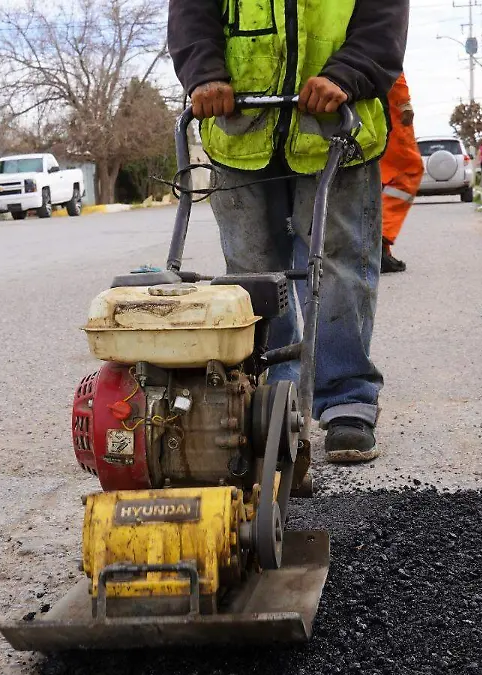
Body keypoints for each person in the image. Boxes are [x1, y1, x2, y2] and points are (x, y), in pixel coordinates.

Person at [169, 0, 410, 463]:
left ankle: (346, 400)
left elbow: (384, 19)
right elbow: (191, 13)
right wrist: (204, 75)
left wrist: (346, 75)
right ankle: (270, 399)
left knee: (338, 265)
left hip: (337, 126)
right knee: (253, 275)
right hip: (240, 125)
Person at [379, 73, 423, 274]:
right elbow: (388, 59)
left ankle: (379, 250)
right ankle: (380, 240)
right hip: (386, 96)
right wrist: (403, 101)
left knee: (379, 174)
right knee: (408, 170)